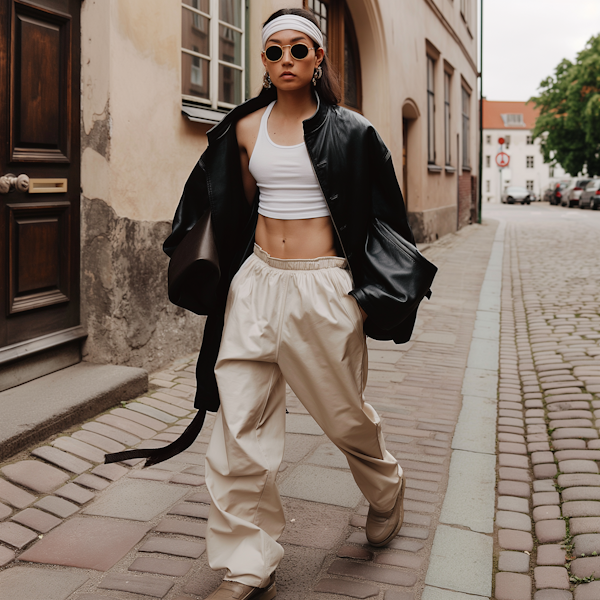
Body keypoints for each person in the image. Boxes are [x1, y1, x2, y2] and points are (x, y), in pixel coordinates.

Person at [108, 7, 425, 600]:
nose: (285, 61)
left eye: (298, 51)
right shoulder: (244, 128)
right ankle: (248, 561)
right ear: (262, 60)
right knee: (239, 423)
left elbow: (389, 222)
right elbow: (224, 208)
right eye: (273, 51)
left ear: (318, 58)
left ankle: (387, 486)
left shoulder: (354, 132)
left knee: (345, 417)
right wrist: (217, 278)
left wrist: (365, 299)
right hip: (256, 285)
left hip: (324, 288)